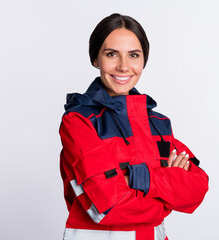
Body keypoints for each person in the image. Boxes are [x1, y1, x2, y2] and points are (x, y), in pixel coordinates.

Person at [59, 13, 209, 240]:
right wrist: (167, 197)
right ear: (95, 59)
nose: (123, 66)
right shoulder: (79, 122)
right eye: (111, 54)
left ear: (143, 60)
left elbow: (197, 187)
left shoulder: (158, 123)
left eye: (133, 55)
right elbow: (109, 206)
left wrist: (137, 178)